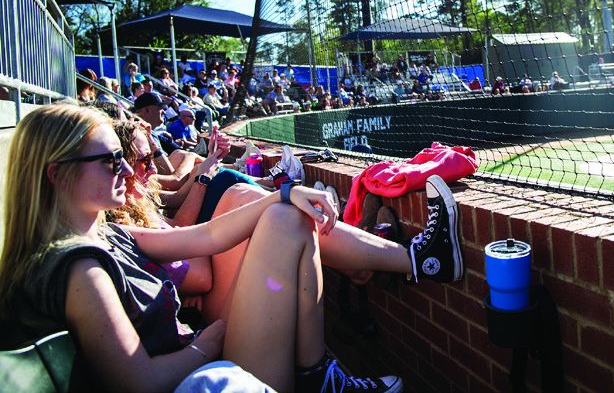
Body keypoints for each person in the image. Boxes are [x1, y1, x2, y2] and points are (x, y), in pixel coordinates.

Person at [1, 103, 463, 391]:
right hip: (199, 374)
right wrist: (209, 343)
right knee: (279, 219)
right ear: (56, 174)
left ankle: (322, 376)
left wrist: (285, 194)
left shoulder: (101, 234)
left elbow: (203, 237)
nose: (126, 170)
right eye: (109, 161)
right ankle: (324, 377)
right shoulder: (80, 271)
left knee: (285, 217)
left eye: (123, 158)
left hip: (201, 359)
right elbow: (139, 382)